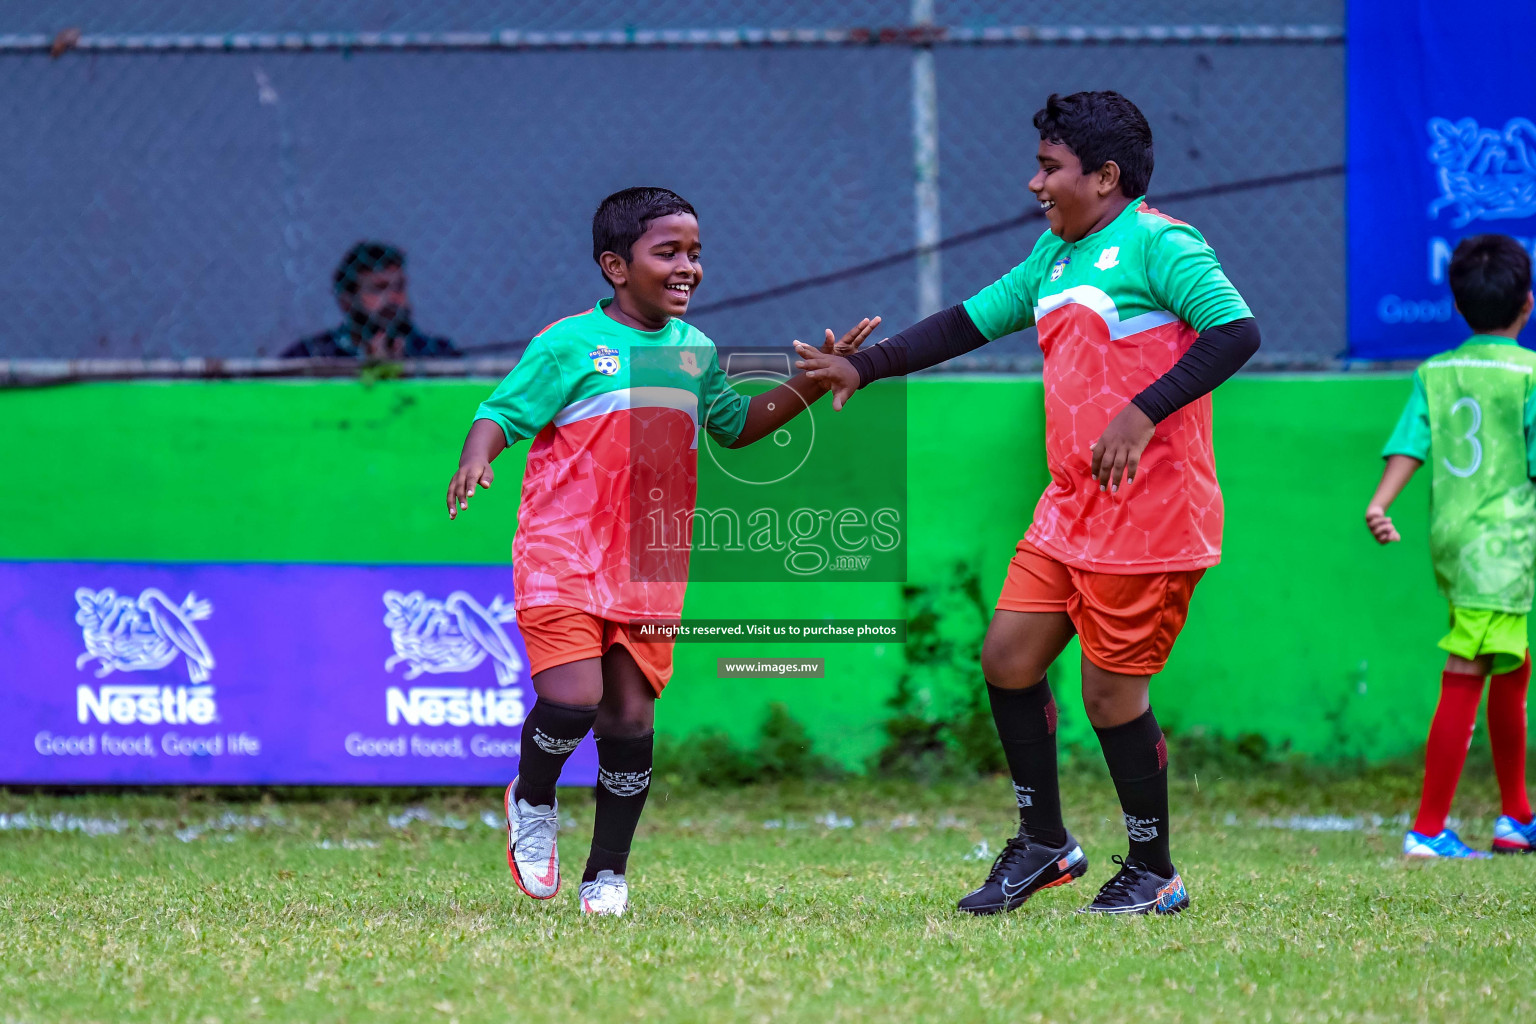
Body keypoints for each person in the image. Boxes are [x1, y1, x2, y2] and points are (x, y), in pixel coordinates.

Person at [796, 91, 1260, 915]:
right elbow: (965, 323)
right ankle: (1045, 844)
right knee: (1008, 658)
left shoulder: (1161, 244)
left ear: (1105, 176)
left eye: (1050, 168)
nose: (1035, 183)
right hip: (1071, 507)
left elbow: (1235, 332)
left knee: (1110, 697)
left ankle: (1155, 870)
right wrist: (865, 369)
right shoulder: (1053, 258)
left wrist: (1142, 409)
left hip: (1149, 517)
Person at [445, 186, 878, 916]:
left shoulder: (696, 352)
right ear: (616, 266)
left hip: (648, 564)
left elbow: (735, 426)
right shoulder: (567, 344)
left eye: (695, 253)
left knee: (630, 721)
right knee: (573, 698)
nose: (688, 267)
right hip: (563, 551)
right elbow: (501, 412)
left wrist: (812, 381)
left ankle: (606, 873)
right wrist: (475, 455)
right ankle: (535, 798)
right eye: (668, 252)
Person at [1366, 233, 1536, 858]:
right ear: (1528, 304)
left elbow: (1412, 441)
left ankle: (1516, 816)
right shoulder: (1530, 374)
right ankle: (1430, 828)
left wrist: (1381, 502)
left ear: (1460, 307)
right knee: (1469, 667)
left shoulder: (1435, 372)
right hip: (1504, 541)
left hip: (1454, 537)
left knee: (1510, 664)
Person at [282, 241, 460, 359]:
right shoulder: (314, 355)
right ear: (346, 301)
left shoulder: (437, 353)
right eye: (378, 288)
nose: (392, 299)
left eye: (399, 287)